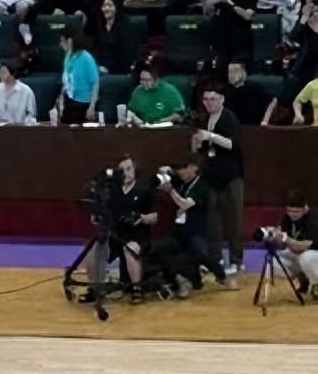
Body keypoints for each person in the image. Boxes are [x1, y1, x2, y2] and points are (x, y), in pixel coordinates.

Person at [161, 154, 237, 296]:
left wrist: (170, 191)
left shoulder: (202, 186)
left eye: (183, 168)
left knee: (202, 254)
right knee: (163, 250)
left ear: (194, 168)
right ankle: (187, 280)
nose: (180, 172)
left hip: (195, 230)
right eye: (178, 169)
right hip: (179, 229)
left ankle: (222, 277)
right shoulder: (182, 182)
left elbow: (185, 204)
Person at [87, 155, 157, 302]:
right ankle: (95, 288)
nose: (126, 173)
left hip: (137, 235)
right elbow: (103, 212)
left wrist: (141, 218)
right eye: (122, 170)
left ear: (135, 170)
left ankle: (137, 289)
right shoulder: (113, 192)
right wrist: (96, 214)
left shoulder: (144, 190)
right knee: (94, 250)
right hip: (115, 235)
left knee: (129, 248)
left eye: (128, 169)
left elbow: (155, 216)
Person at [195, 85, 245, 276]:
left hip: (231, 176)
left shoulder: (229, 118)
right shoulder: (205, 119)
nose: (209, 103)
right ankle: (215, 259)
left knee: (234, 220)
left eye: (213, 99)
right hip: (212, 176)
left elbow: (233, 144)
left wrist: (211, 136)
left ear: (222, 99)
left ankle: (236, 260)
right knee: (212, 221)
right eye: (206, 99)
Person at [275, 190, 318, 296]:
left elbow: (306, 246)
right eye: (290, 211)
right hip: (300, 254)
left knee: (306, 257)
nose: (293, 214)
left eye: (296, 211)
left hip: (314, 254)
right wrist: (275, 238)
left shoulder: (314, 218)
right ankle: (304, 281)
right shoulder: (287, 218)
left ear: (305, 208)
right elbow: (283, 245)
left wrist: (287, 239)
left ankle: (316, 284)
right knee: (274, 261)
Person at [58, 29, 100, 123]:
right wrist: (61, 102)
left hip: (83, 104)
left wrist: (92, 107)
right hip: (69, 101)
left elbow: (95, 84)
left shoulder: (86, 58)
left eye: (62, 41)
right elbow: (66, 82)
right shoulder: (68, 56)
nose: (60, 44)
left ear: (70, 41)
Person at [207, 0, 257, 68]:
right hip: (223, 35)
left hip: (241, 34)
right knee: (222, 62)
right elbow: (208, 8)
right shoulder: (220, 0)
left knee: (240, 63)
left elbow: (247, 16)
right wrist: (217, 0)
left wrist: (233, 6)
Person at [222, 60, 271, 125]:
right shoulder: (224, 94)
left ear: (244, 73)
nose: (232, 74)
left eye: (236, 71)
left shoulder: (255, 94)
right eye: (230, 71)